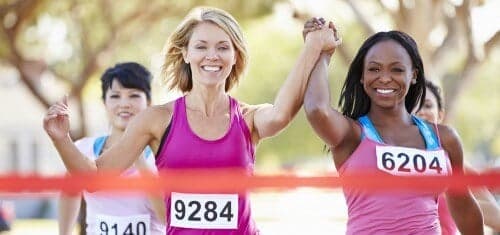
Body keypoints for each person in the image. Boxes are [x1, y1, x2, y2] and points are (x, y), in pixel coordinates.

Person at [44, 7, 339, 235]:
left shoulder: (247, 118)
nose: (212, 55)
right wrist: (61, 139)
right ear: (185, 53)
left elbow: (281, 113)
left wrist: (313, 47)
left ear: (235, 56)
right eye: (201, 46)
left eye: (223, 47)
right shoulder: (156, 119)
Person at [302, 17, 484, 234]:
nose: (385, 78)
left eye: (397, 70)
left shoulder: (443, 138)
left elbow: (463, 207)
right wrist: (322, 53)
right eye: (374, 69)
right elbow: (316, 110)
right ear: (362, 76)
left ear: (414, 75)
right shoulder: (351, 134)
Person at [57, 62, 166, 235]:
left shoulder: (163, 154)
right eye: (115, 96)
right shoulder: (83, 149)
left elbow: (166, 218)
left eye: (134, 95)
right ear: (104, 102)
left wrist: (136, 154)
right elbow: (69, 193)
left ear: (149, 102)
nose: (124, 104)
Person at [416, 80, 500, 233]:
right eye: (414, 106)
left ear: (440, 115)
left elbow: (496, 217)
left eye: (427, 105)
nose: (420, 111)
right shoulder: (388, 157)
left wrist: (455, 201)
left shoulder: (452, 161)